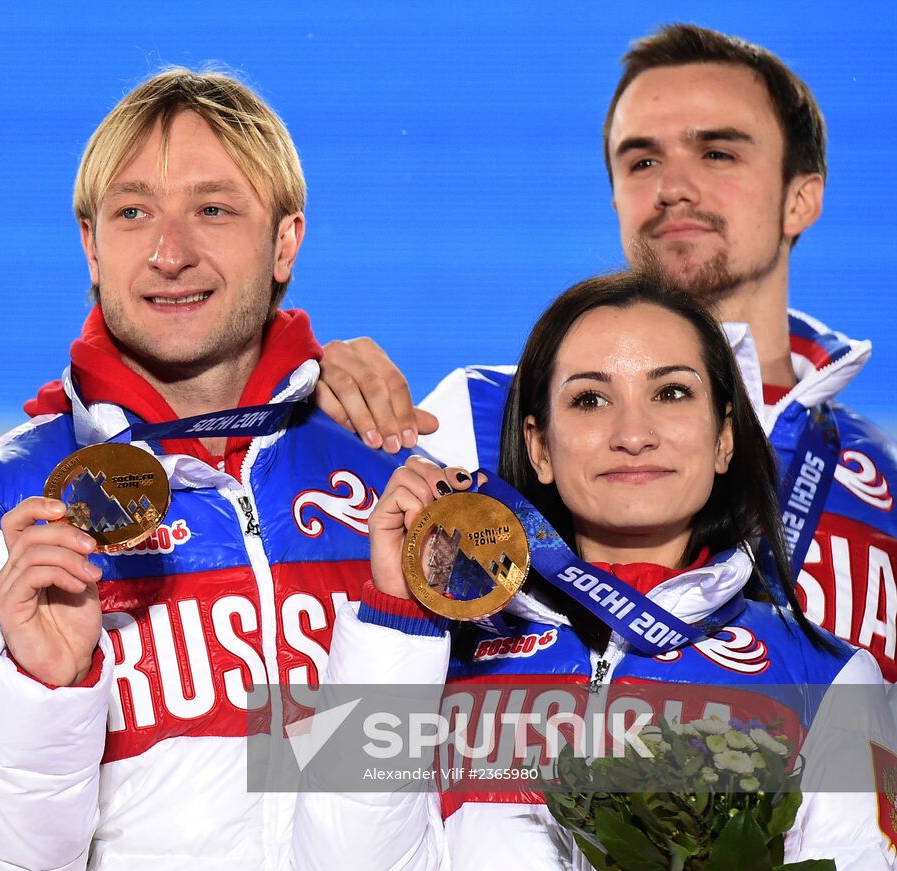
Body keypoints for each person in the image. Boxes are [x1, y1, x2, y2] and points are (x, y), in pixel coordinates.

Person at [0, 68, 408, 871]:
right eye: (134, 213)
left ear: (285, 243)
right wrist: (41, 690)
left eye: (213, 209)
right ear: (91, 246)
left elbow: (435, 804)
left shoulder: (391, 480)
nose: (170, 254)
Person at [315, 23, 897, 679]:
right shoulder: (476, 418)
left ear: (801, 199)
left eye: (717, 154)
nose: (672, 186)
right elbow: (349, 705)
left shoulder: (878, 476)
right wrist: (294, 390)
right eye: (642, 160)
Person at [291, 268, 897, 871]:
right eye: (590, 399)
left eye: (672, 394)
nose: (633, 435)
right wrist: (399, 619)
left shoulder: (825, 679)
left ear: (723, 438)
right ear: (540, 448)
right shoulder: (448, 653)